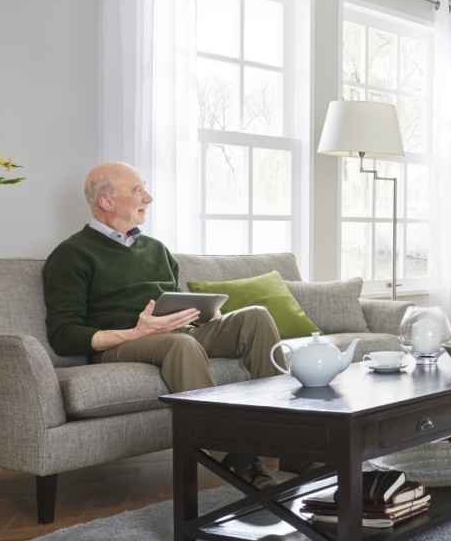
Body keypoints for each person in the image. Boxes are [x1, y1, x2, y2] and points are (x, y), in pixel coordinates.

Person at [43, 162, 286, 489]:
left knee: (254, 316)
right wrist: (137, 332)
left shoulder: (157, 250)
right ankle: (239, 460)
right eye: (137, 190)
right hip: (122, 344)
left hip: (176, 333)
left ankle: (295, 433)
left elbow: (170, 301)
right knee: (181, 344)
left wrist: (199, 314)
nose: (150, 197)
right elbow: (63, 335)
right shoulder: (71, 255)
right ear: (107, 202)